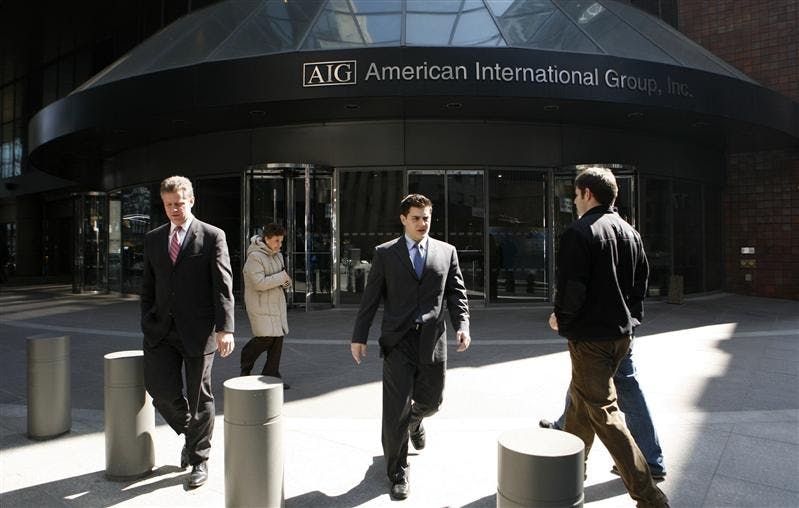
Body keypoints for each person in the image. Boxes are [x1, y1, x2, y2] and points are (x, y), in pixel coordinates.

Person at [548, 167, 668, 507]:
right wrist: (630, 321)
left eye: (575, 194)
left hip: (591, 339)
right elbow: (641, 285)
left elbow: (572, 288)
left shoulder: (579, 233)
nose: (574, 201)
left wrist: (562, 319)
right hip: (621, 335)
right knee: (579, 405)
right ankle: (571, 473)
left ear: (587, 194)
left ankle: (650, 496)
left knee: (604, 413)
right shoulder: (631, 233)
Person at [351, 193, 471, 501]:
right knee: (396, 411)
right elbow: (370, 299)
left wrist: (462, 325)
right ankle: (398, 472)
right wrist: (359, 337)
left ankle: (416, 422)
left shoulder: (446, 252)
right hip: (398, 341)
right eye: (416, 218)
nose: (422, 223)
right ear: (403, 219)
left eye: (426, 218)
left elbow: (456, 293)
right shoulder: (385, 253)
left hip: (432, 340)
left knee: (432, 402)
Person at [140, 175, 235, 489]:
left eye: (179, 203)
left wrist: (225, 328)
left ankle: (198, 459)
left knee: (199, 396)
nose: (174, 209)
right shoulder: (154, 238)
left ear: (191, 200)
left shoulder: (212, 236)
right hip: (160, 330)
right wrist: (146, 319)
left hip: (198, 331)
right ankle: (193, 435)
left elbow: (222, 286)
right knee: (160, 391)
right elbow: (148, 286)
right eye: (168, 204)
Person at [539, 342, 667, 480]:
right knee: (589, 383)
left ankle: (645, 463)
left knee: (596, 390)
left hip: (596, 340)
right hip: (617, 336)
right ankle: (649, 459)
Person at [241, 223, 292, 388]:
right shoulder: (254, 257)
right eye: (277, 240)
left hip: (276, 304)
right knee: (265, 338)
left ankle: (271, 375)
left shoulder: (278, 256)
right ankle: (246, 359)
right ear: (267, 239)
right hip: (261, 305)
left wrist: (286, 281)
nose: (279, 245)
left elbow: (283, 277)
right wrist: (281, 277)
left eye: (281, 241)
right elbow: (259, 283)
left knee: (277, 339)